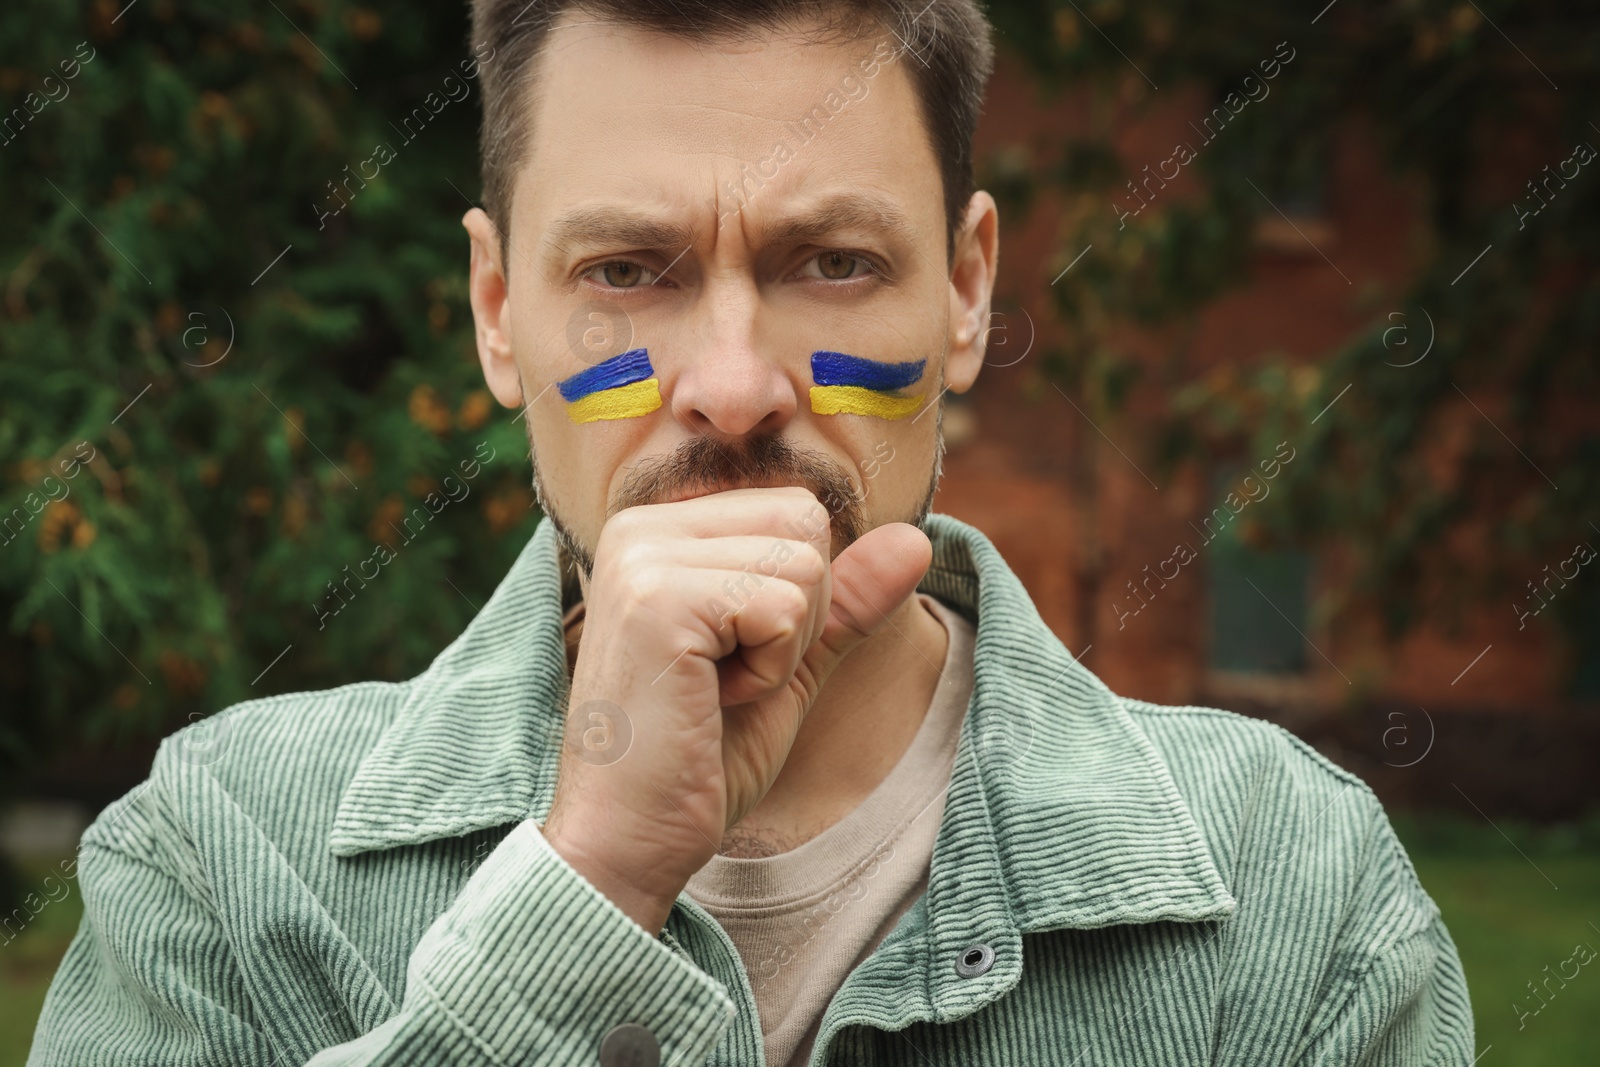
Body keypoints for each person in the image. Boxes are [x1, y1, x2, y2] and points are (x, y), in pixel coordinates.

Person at [30, 1, 1475, 1064]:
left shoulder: (1296, 887)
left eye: (834, 264)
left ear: (968, 293)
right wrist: (588, 878)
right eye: (626, 271)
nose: (731, 387)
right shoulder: (220, 865)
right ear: (495, 316)